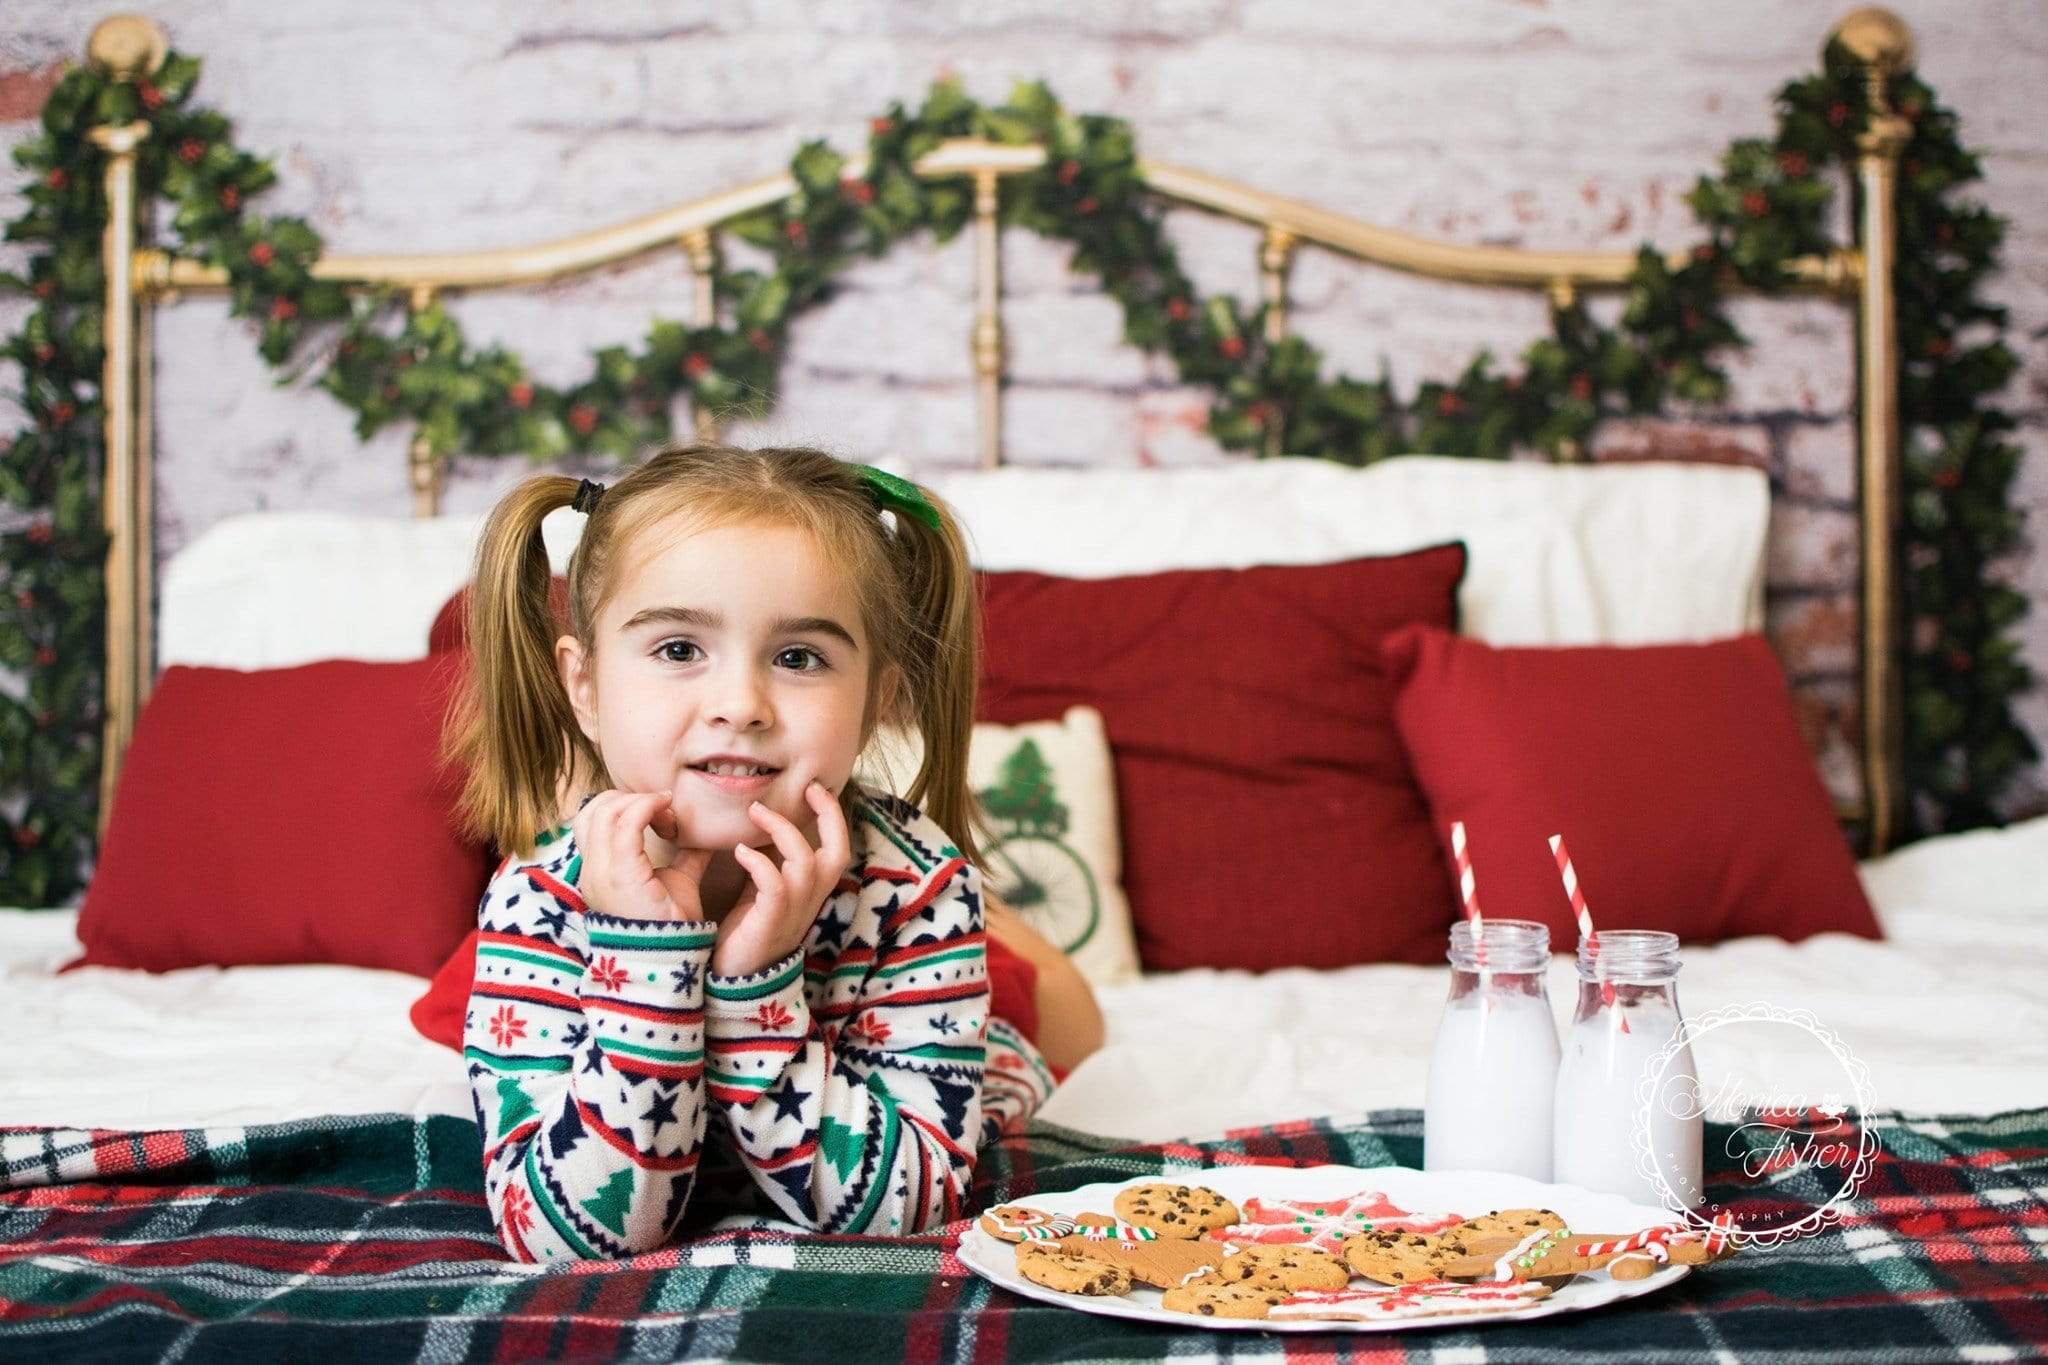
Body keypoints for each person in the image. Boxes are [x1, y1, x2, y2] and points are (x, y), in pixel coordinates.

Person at [443, 441, 1094, 1263]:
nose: (741, 704)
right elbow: (566, 1236)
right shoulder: (536, 897)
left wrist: (757, 993)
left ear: (874, 703)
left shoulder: (918, 888)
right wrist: (647, 964)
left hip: (955, 1014)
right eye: (679, 649)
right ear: (586, 689)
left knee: (1054, 1025)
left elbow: (909, 1209)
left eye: (798, 658)